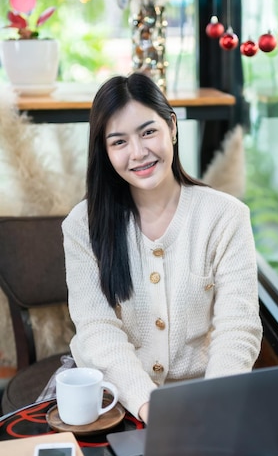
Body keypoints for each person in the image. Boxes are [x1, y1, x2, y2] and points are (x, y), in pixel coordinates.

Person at [61, 73, 262, 423]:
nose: (138, 153)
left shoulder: (226, 217)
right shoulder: (83, 225)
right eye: (119, 142)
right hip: (113, 399)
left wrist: (214, 406)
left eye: (148, 132)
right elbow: (97, 329)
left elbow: (238, 327)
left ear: (171, 125)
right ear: (104, 151)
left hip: (203, 402)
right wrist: (148, 406)